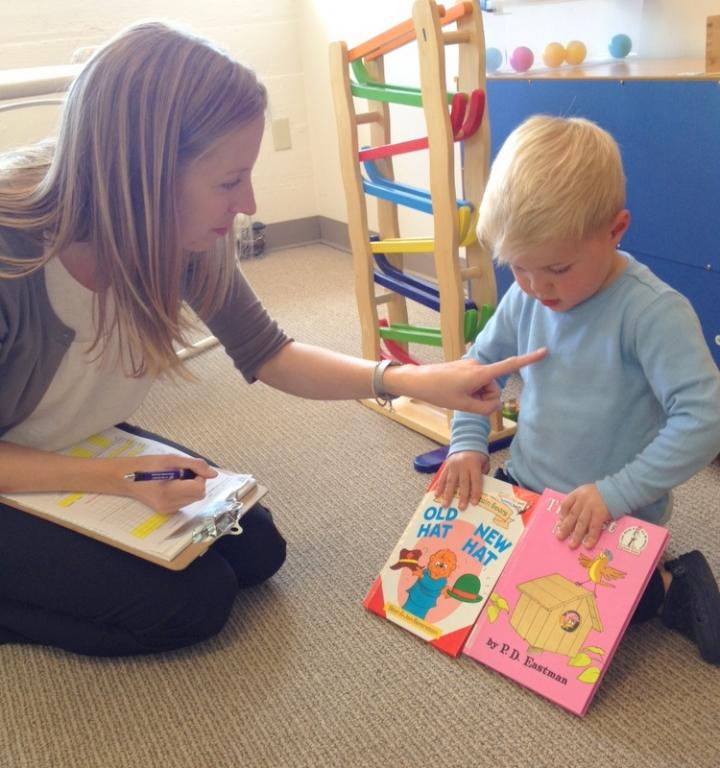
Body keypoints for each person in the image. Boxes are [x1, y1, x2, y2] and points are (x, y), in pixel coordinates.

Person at [0, 22, 545, 657]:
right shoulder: (15, 259)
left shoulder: (182, 238)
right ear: (144, 173)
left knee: (255, 550)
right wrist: (118, 479)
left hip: (77, 441)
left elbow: (271, 353)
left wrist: (409, 380)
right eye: (229, 182)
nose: (250, 203)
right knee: (191, 604)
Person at [435, 115, 720, 665]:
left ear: (616, 230)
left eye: (558, 268)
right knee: (479, 574)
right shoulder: (527, 298)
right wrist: (467, 442)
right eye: (519, 267)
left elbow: (704, 419)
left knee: (589, 610)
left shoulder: (652, 312)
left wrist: (616, 491)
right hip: (526, 484)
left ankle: (672, 583)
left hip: (612, 509)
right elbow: (479, 368)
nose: (538, 288)